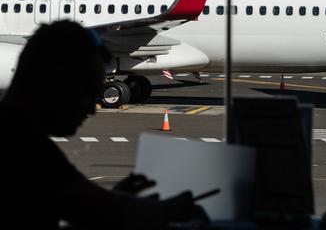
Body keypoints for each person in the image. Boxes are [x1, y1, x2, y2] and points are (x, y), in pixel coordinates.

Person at [0, 20, 207, 229]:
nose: (92, 109)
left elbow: (83, 208)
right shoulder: (22, 147)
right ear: (55, 82)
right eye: (88, 93)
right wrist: (164, 210)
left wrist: (116, 199)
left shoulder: (19, 135)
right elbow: (88, 205)